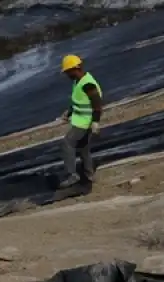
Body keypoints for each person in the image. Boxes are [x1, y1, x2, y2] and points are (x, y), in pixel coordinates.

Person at [59, 54, 103, 188]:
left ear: (74, 69)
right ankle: (89, 174)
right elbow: (79, 100)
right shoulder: (78, 82)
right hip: (81, 120)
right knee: (83, 148)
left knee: (67, 143)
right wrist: (69, 111)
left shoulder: (88, 84)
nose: (67, 74)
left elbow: (97, 103)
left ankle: (72, 175)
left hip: (85, 122)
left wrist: (95, 122)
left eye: (67, 72)